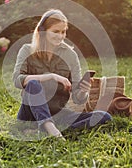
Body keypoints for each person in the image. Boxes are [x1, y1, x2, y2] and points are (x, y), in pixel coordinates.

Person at [12, 9, 112, 140]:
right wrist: (51, 76)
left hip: (58, 113)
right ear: (43, 31)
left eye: (63, 32)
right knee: (33, 83)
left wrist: (83, 91)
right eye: (55, 31)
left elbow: (77, 98)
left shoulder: (70, 55)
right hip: (30, 113)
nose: (60, 36)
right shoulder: (27, 50)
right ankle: (51, 129)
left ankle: (44, 130)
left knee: (104, 117)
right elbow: (17, 80)